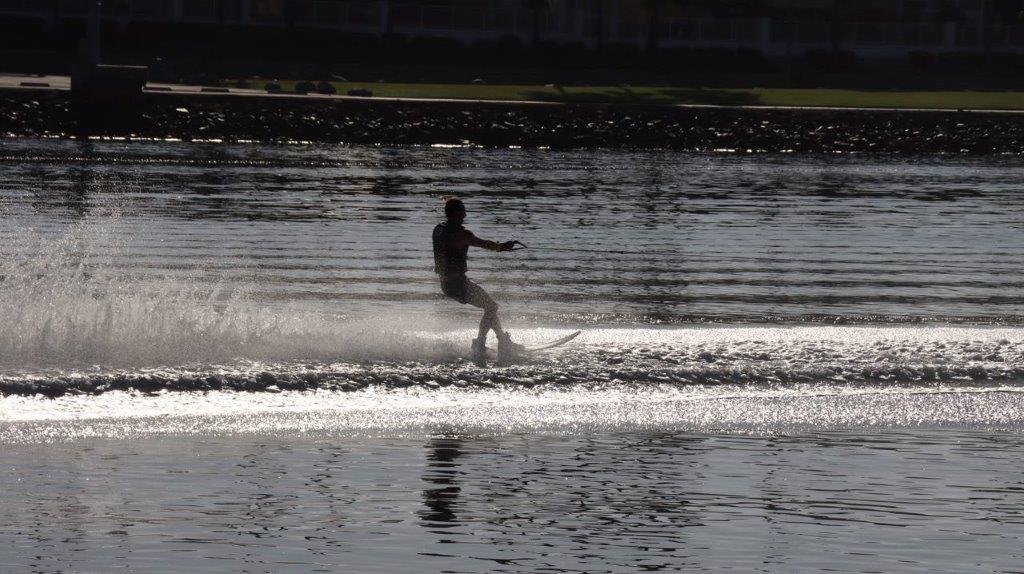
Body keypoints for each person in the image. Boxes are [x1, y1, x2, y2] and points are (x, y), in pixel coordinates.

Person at [433, 198, 525, 358]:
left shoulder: (438, 230)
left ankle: (502, 341)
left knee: (490, 307)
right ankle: (480, 344)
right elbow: (483, 244)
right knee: (491, 307)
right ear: (456, 213)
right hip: (458, 284)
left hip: (446, 283)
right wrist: (502, 247)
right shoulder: (460, 234)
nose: (465, 215)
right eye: (463, 212)